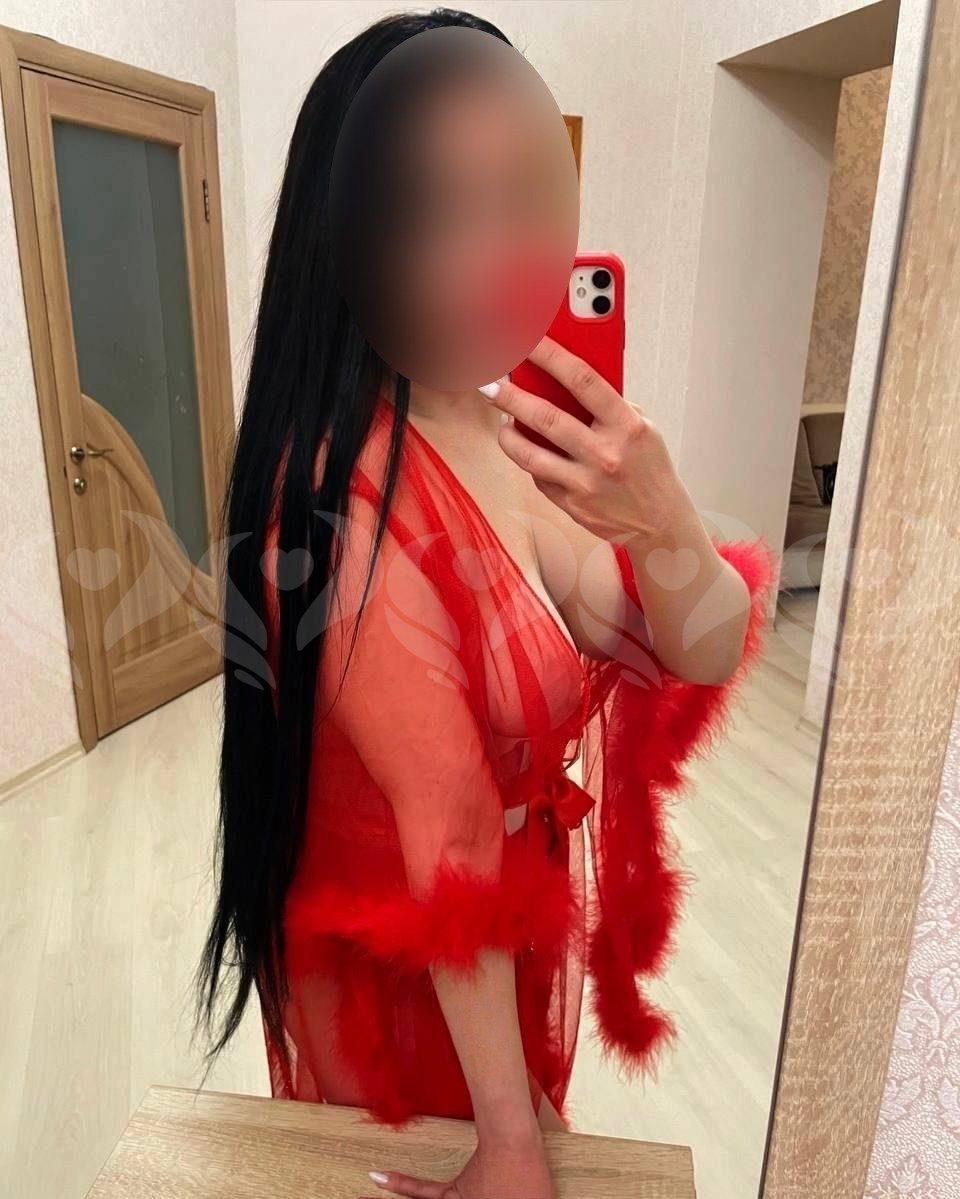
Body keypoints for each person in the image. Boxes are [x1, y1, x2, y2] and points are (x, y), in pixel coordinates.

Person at [194, 10, 777, 1199]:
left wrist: (663, 518)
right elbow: (450, 823)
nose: (491, 252)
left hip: (500, 932)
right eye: (435, 210)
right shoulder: (335, 491)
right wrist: (509, 1141)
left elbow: (695, 647)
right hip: (402, 960)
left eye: (516, 200)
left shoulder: (500, 423)